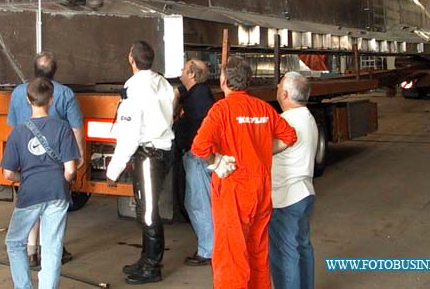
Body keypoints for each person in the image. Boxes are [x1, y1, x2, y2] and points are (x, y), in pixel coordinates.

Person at [192, 55, 297, 289]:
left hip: (234, 190)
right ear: (248, 81)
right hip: (261, 189)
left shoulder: (221, 110)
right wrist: (261, 151)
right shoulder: (263, 108)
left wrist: (216, 161)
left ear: (223, 81)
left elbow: (199, 147)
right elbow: (289, 136)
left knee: (231, 257)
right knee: (258, 252)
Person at [105, 40, 175, 284]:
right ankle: (146, 258)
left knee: (147, 212)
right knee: (149, 207)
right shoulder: (162, 82)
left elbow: (129, 135)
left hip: (148, 155)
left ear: (131, 60)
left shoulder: (134, 89)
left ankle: (151, 267)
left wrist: (113, 170)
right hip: (163, 150)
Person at [2, 77, 80, 289]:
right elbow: (71, 169)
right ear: (51, 100)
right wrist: (58, 181)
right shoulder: (63, 128)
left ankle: (23, 286)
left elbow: (8, 174)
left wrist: (25, 178)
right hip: (57, 192)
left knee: (15, 242)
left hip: (30, 193)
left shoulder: (18, 132)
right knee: (52, 247)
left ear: (28, 99)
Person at [269, 72, 318, 289]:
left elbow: (264, 149)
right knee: (302, 247)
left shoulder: (286, 122)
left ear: (286, 93)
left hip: (286, 197)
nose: (277, 88)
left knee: (284, 253)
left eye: (279, 85)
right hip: (304, 192)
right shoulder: (307, 116)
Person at [173, 59, 215, 266]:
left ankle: (208, 251)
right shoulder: (197, 92)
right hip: (195, 156)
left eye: (183, 69)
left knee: (200, 203)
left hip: (198, 157)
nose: (180, 71)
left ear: (191, 74)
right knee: (193, 202)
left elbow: (200, 127)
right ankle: (208, 247)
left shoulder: (200, 97)